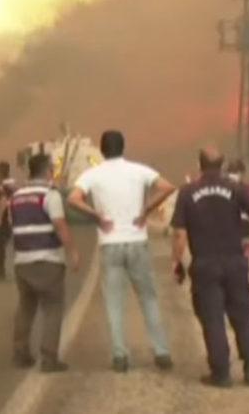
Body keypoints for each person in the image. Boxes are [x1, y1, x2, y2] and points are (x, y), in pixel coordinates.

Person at [68, 130, 175, 373]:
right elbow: (168, 187)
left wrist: (96, 215)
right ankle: (162, 351)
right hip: (137, 240)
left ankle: (120, 355)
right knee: (148, 298)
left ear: (102, 150)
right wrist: (146, 210)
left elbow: (74, 199)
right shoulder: (139, 170)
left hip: (110, 243)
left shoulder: (92, 174)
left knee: (114, 302)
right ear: (123, 147)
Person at [171, 146, 249, 388]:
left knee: (212, 319)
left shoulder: (188, 192)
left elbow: (179, 234)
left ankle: (221, 374)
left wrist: (177, 262)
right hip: (235, 261)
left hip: (205, 263)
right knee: (243, 314)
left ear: (200, 164)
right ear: (222, 165)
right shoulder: (236, 189)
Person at [10, 154, 80, 372]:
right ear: (47, 170)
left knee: (25, 307)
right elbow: (60, 225)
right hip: (47, 259)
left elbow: (15, 225)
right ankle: (49, 358)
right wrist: (73, 252)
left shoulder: (17, 196)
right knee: (53, 307)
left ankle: (20, 353)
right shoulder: (50, 195)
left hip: (22, 261)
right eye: (52, 168)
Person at [226, 159, 249, 260]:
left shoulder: (221, 187)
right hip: (246, 234)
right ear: (242, 173)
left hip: (227, 238)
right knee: (245, 269)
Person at [0, 161, 16, 282]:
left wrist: (0, 218)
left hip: (6, 218)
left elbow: (4, 201)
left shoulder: (1, 184)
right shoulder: (12, 182)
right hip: (15, 216)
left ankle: (1, 272)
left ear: (0, 172)